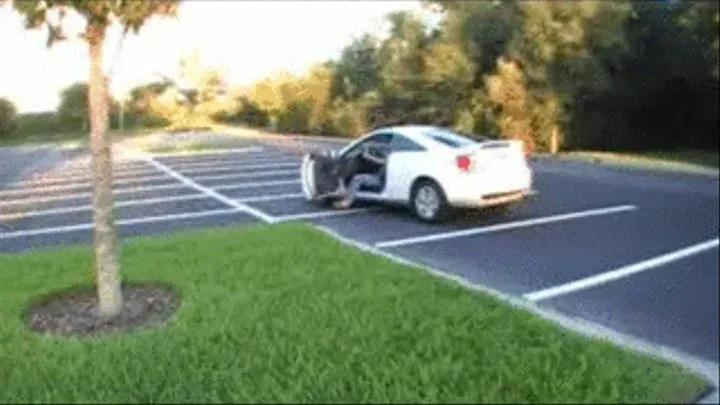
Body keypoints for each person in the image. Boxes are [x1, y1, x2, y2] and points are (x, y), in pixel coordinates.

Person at [334, 142, 388, 209]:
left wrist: (368, 155)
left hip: (379, 179)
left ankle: (347, 201)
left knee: (358, 178)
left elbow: (382, 161)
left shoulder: (388, 156)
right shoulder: (386, 152)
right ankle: (342, 190)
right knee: (356, 173)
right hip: (378, 176)